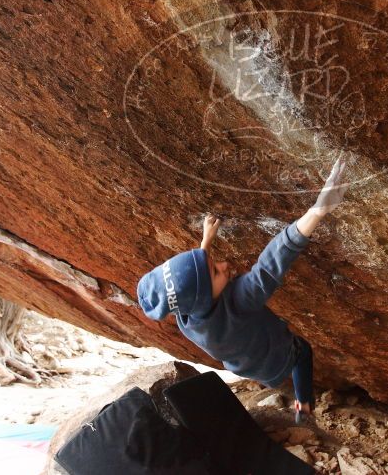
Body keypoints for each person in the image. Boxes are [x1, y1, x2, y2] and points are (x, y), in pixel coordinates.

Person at [137, 156, 350, 423]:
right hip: (276, 356)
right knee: (303, 352)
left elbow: (195, 289)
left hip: (249, 366)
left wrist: (205, 243)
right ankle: (304, 408)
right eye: (216, 271)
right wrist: (317, 212)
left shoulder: (187, 318)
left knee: (286, 361)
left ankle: (294, 401)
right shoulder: (240, 299)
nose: (225, 265)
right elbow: (272, 263)